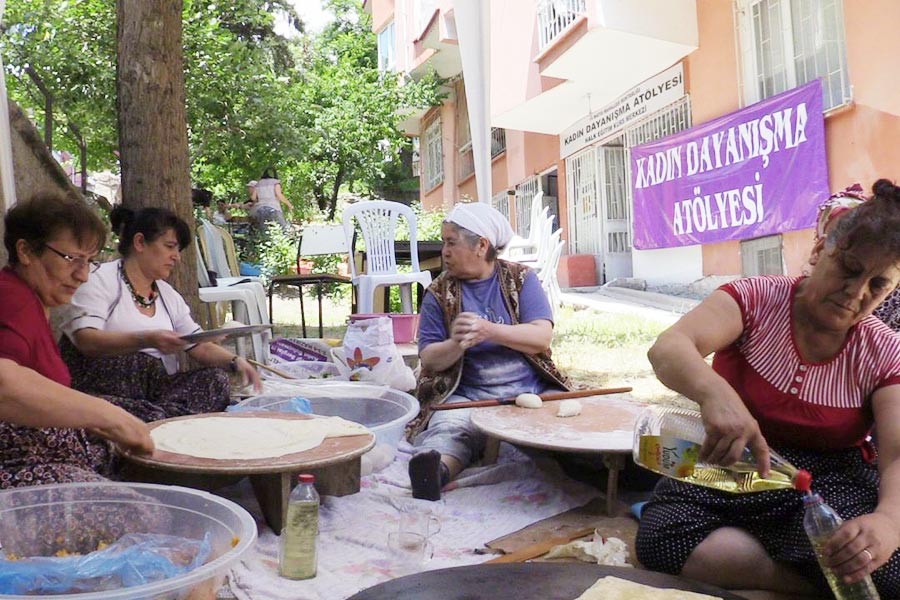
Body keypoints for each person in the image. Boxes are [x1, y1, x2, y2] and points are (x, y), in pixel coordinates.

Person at [636, 179, 900, 598]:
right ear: (818, 253)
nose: (856, 292)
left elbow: (896, 453)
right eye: (849, 269)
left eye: (878, 285)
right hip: (730, 462)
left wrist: (888, 522)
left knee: (882, 564)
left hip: (822, 482)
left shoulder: (883, 349)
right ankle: (796, 583)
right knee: (661, 537)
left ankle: (781, 562)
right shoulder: (756, 299)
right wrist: (716, 394)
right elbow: (669, 347)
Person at [408, 202, 570, 501]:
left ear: (481, 245)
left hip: (532, 391)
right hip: (467, 396)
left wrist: (490, 330)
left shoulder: (521, 279)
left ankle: (604, 469)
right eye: (444, 242)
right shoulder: (439, 292)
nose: (444, 251)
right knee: (450, 431)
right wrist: (456, 344)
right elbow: (429, 357)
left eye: (451, 243)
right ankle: (436, 473)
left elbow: (541, 337)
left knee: (566, 424)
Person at [0, 193, 154, 488]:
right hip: (20, 468)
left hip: (56, 451)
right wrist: (109, 417)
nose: (83, 275)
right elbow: (4, 384)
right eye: (71, 258)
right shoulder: (12, 297)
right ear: (26, 251)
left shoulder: (33, 302)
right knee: (147, 515)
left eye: (89, 262)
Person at [59, 206, 262, 423]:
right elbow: (85, 340)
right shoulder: (99, 279)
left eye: (178, 250)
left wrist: (235, 361)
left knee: (215, 380)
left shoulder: (167, 294)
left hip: (154, 391)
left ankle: (160, 421)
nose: (176, 257)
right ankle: (162, 422)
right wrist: (147, 339)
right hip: (103, 389)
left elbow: (197, 345)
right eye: (169, 247)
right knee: (140, 388)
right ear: (140, 243)